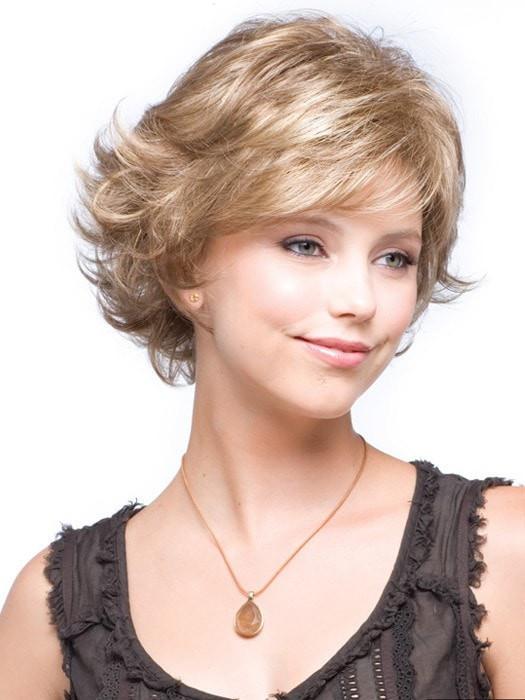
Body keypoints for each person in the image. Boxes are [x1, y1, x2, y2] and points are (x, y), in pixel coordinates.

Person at [0, 10, 523, 700]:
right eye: (305, 244)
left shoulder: (500, 556)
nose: (360, 299)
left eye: (394, 257)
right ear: (184, 260)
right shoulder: (57, 617)